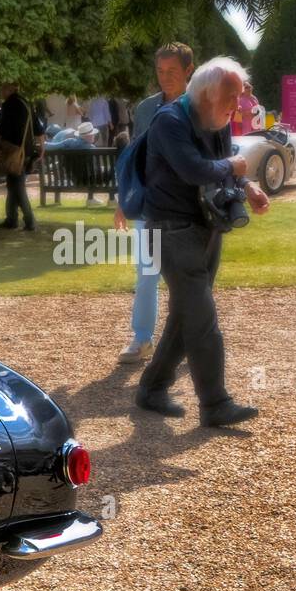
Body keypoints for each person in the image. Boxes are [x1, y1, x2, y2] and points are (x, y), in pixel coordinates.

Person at [134, 57, 270, 429]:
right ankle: (215, 403)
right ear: (207, 94)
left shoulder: (216, 118)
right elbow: (195, 168)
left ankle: (152, 387)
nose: (236, 106)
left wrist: (248, 186)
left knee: (187, 312)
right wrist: (235, 169)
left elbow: (221, 162)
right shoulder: (169, 121)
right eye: (231, 98)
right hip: (171, 230)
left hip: (206, 226)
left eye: (239, 98)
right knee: (202, 317)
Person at [114, 41, 195, 365]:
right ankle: (142, 339)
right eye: (160, 71)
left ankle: (192, 339)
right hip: (149, 205)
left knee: (188, 277)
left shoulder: (200, 107)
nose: (164, 78)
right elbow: (135, 158)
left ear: (189, 71)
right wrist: (124, 200)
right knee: (146, 272)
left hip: (188, 208)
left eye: (172, 72)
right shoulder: (147, 109)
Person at [0, 83, 46, 231]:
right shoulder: (26, 103)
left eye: (3, 88)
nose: (1, 91)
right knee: (13, 184)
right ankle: (11, 219)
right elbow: (39, 128)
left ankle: (29, 221)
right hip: (27, 151)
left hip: (13, 152)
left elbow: (2, 130)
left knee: (17, 185)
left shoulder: (8, 106)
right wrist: (42, 147)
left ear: (10, 89)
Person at [48, 121, 104, 206]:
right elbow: (95, 169)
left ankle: (57, 201)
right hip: (87, 181)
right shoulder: (91, 148)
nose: (94, 136)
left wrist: (40, 144)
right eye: (92, 134)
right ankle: (100, 199)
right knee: (108, 171)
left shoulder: (69, 142)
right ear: (88, 136)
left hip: (72, 179)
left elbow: (52, 146)